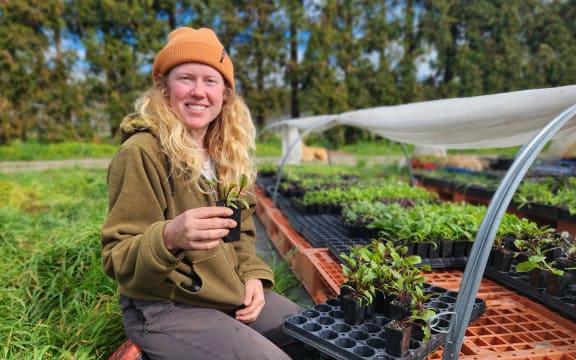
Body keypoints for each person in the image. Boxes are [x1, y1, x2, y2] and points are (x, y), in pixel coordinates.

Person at [101, 27, 315, 360]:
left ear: (225, 94)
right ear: (164, 87)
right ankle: (145, 349)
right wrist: (169, 236)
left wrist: (255, 277)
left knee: (311, 339)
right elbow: (117, 258)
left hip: (226, 293)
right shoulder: (141, 153)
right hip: (166, 306)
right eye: (186, 78)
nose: (199, 92)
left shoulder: (226, 154)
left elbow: (243, 234)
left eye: (211, 81)